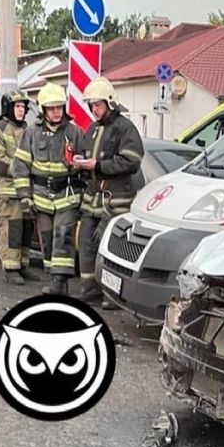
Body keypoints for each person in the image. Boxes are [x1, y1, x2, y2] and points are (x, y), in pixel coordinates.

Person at [72, 77, 144, 304]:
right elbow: (86, 155)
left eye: (98, 105)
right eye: (91, 106)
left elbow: (132, 161)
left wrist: (99, 165)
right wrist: (79, 163)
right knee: (86, 244)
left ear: (110, 103)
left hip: (116, 201)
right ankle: (90, 291)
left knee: (109, 249)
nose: (94, 110)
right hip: (93, 200)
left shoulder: (125, 128)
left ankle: (110, 295)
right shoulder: (92, 129)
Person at [14, 83, 84, 296]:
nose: (56, 112)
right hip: (41, 197)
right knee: (47, 239)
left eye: (59, 107)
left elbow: (86, 165)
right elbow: (21, 167)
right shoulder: (31, 133)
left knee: (63, 236)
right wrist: (25, 198)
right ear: (43, 109)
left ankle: (59, 283)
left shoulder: (74, 133)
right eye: (51, 108)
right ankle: (56, 281)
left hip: (67, 197)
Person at [0, 91, 34, 284]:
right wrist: (24, 169)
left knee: (26, 228)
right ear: (8, 107)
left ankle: (23, 265)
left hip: (28, 190)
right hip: (9, 190)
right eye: (17, 106)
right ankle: (11, 267)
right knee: (11, 228)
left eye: (23, 106)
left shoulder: (29, 130)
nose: (21, 110)